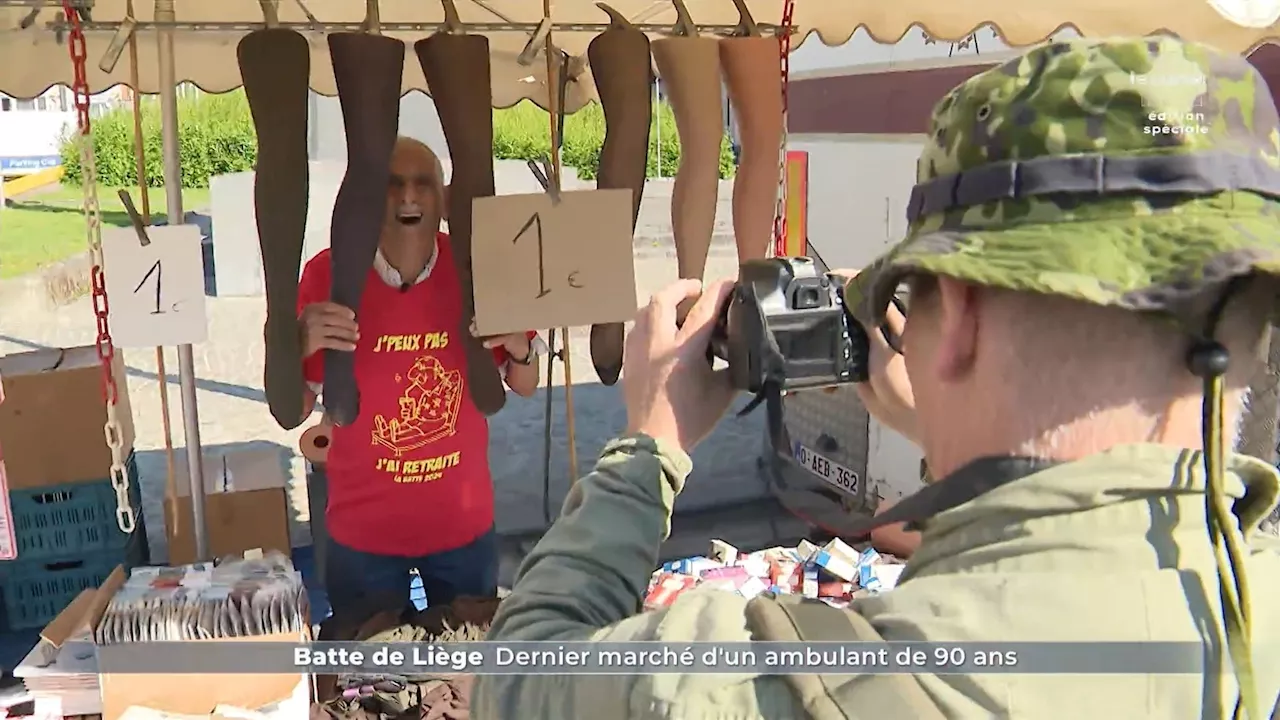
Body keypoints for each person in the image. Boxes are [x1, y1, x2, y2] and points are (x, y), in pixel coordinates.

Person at [474, 37, 1280, 719]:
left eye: (907, 302)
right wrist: (949, 420)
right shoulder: (1253, 601)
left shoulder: (800, 686)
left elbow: (519, 677)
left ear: (958, 316)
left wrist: (648, 447)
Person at [297, 136, 542, 617]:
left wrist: (519, 343)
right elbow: (296, 409)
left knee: (465, 677)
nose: (408, 197)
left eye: (422, 184)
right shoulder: (327, 275)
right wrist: (294, 346)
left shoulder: (479, 268)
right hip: (360, 532)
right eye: (392, 185)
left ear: (445, 198)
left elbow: (525, 382)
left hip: (462, 528)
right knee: (367, 681)